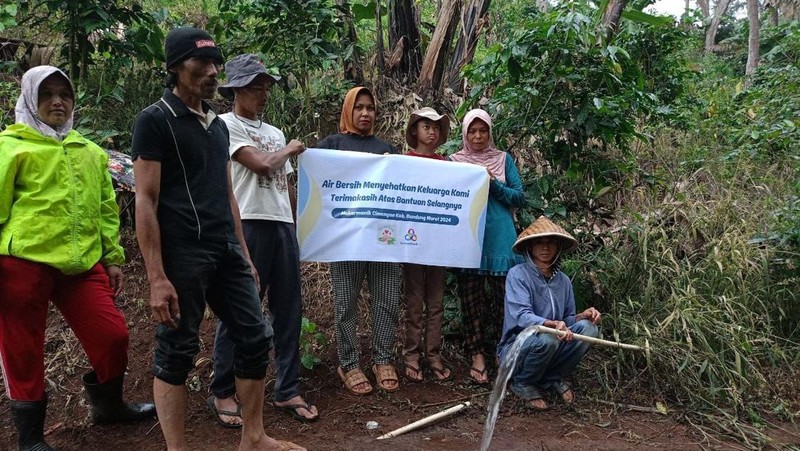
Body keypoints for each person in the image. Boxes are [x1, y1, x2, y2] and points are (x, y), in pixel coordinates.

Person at [131, 28, 303, 451]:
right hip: (182, 250)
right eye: (200, 63)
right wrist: (156, 276)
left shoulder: (216, 126)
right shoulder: (155, 120)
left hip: (226, 247)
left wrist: (243, 253)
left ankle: (255, 436)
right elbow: (146, 200)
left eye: (214, 65)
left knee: (254, 335)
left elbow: (227, 195)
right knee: (177, 348)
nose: (211, 72)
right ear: (175, 67)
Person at [0, 65, 155, 451]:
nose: (57, 101)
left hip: (82, 264)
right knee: (23, 349)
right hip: (23, 263)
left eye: (64, 95)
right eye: (47, 94)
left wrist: (112, 257)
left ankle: (108, 406)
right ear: (30, 100)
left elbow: (105, 208)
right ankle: (31, 439)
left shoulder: (89, 151)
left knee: (112, 336)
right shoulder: (10, 147)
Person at [207, 53, 317, 426]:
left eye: (266, 86)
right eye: (256, 87)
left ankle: (287, 389)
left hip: (280, 225)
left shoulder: (275, 133)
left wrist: (294, 224)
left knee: (289, 309)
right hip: (248, 223)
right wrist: (291, 150)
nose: (263, 94)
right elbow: (260, 164)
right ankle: (222, 390)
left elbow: (282, 183)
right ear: (236, 90)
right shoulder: (224, 125)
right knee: (241, 308)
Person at [317, 86, 402, 395]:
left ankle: (382, 359)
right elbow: (319, 186)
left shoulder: (387, 149)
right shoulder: (331, 145)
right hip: (346, 241)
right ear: (348, 111)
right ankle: (349, 363)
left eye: (370, 108)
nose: (365, 113)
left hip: (384, 239)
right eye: (359, 108)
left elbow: (401, 192)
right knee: (346, 302)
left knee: (387, 299)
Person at [450, 108, 525, 384]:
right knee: (470, 301)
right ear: (465, 133)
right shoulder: (455, 161)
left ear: (490, 133)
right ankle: (477, 356)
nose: (478, 136)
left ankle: (502, 352)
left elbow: (519, 197)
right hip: (469, 238)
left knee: (505, 302)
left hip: (501, 239)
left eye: (483, 130)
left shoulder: (503, 160)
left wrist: (493, 184)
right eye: (473, 130)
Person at [498, 215, 601, 411]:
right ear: (530, 247)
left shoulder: (563, 280)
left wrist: (583, 316)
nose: (545, 248)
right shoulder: (518, 275)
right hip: (517, 347)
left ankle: (551, 378)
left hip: (552, 344)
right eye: (539, 242)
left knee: (589, 330)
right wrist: (551, 325)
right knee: (548, 338)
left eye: (550, 242)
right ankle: (522, 382)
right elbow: (521, 315)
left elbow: (568, 320)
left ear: (558, 247)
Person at [401, 107, 453, 383]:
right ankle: (411, 354)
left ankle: (433, 354)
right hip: (411, 242)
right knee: (414, 300)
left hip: (438, 243)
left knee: (436, 302)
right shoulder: (403, 162)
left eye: (436, 128)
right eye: (426, 126)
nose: (431, 132)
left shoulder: (446, 164)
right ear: (415, 131)